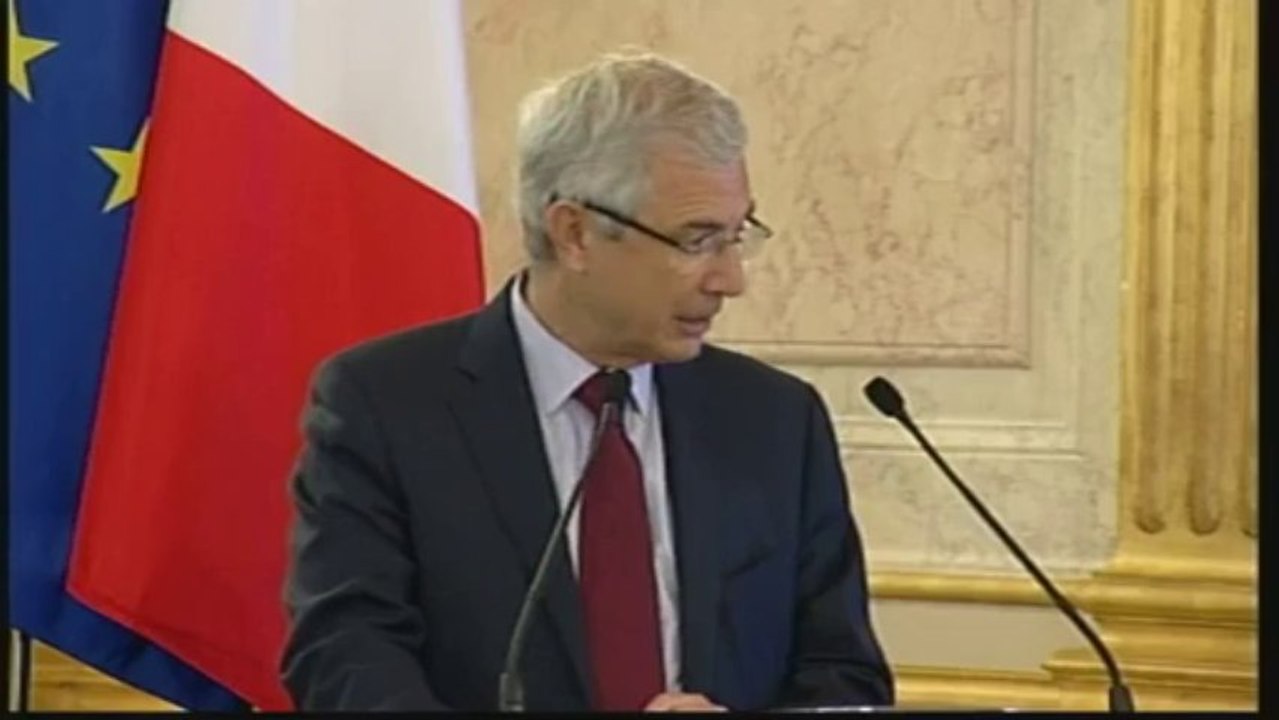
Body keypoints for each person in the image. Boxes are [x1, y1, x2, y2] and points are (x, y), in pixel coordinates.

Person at [281, 50, 894, 712]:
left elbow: (840, 672)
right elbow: (344, 655)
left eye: (735, 235)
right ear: (573, 233)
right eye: (696, 240)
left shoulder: (772, 418)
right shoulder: (385, 403)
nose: (730, 279)